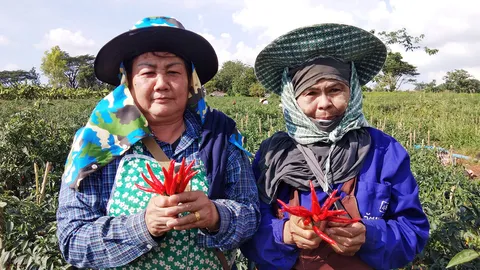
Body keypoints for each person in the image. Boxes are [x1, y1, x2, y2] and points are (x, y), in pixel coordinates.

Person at [56, 16, 260, 270]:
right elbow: (72, 240)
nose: (161, 84)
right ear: (128, 81)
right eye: (148, 72)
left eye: (173, 72)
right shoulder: (96, 144)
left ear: (190, 82)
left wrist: (217, 216)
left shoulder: (220, 136)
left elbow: (251, 216)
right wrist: (142, 226)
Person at [240, 23, 429, 269]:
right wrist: (284, 233)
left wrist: (370, 235)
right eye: (310, 93)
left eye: (335, 89)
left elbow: (413, 231)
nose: (324, 103)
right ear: (293, 100)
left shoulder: (384, 151)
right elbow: (247, 228)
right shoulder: (273, 154)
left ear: (352, 93)